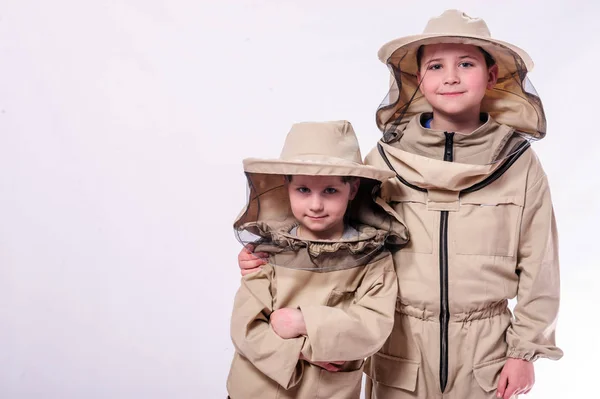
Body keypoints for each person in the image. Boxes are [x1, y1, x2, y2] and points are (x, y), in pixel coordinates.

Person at [238, 10, 563, 399]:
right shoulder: (383, 160)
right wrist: (269, 254)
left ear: (492, 76)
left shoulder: (520, 164)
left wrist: (524, 351)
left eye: (466, 63)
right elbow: (332, 234)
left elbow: (540, 262)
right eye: (436, 65)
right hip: (397, 345)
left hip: (487, 351)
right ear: (417, 78)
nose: (451, 76)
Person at [227, 120, 408, 399]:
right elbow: (245, 327)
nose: (315, 204)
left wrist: (303, 322)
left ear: (353, 188)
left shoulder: (373, 258)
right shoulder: (267, 252)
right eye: (303, 190)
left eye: (330, 191)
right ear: (286, 185)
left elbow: (373, 327)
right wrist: (305, 351)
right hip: (255, 390)